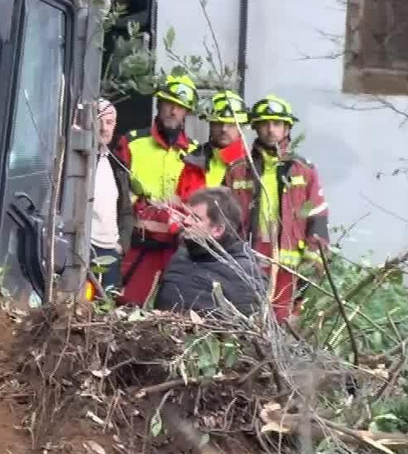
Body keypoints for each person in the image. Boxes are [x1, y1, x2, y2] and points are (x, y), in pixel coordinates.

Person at [222, 95, 330, 322]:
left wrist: (313, 258)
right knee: (245, 322)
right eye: (264, 124)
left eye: (277, 123)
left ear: (287, 128)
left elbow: (315, 215)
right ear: (255, 128)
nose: (271, 130)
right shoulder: (238, 171)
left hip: (289, 267)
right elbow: (223, 219)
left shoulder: (303, 171)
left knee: (283, 324)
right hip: (247, 261)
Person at [117, 73, 200, 306]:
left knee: (175, 314)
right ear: (159, 104)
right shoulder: (132, 143)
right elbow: (118, 194)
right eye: (169, 104)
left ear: (187, 113)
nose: (173, 112)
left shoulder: (195, 153)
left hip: (178, 249)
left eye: (180, 107)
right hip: (139, 246)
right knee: (128, 307)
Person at [154, 186, 263, 317]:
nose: (186, 221)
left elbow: (245, 330)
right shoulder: (181, 256)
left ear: (217, 230)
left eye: (196, 218)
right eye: (188, 215)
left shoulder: (245, 274)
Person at [88, 98, 135, 294]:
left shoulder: (117, 164)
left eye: (109, 122)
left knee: (106, 310)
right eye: (99, 120)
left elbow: (125, 210)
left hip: (111, 252)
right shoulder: (75, 161)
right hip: (85, 249)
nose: (104, 128)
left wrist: (122, 245)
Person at [175, 90, 250, 194]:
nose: (224, 129)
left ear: (241, 128)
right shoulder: (193, 162)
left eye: (231, 124)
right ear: (210, 124)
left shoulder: (252, 167)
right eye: (218, 123)